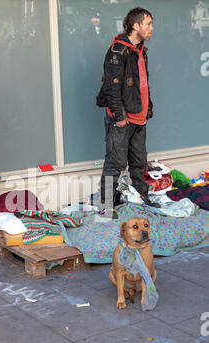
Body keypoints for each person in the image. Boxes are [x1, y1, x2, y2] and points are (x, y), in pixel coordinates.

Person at [96, 7, 160, 213]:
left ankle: (143, 200)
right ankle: (106, 208)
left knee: (139, 163)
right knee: (115, 164)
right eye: (148, 23)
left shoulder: (140, 49)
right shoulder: (118, 50)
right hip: (123, 119)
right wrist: (120, 117)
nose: (152, 28)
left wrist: (146, 111)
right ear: (135, 25)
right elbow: (111, 87)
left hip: (139, 118)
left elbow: (142, 83)